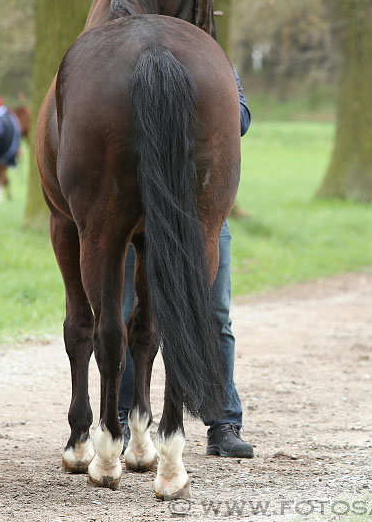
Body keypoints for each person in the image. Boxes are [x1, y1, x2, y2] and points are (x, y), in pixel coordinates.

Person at [118, 66, 253, 458]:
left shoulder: (216, 63)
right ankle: (126, 418)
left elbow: (240, 119)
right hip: (140, 212)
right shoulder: (128, 64)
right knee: (128, 312)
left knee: (215, 314)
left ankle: (223, 422)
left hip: (202, 212)